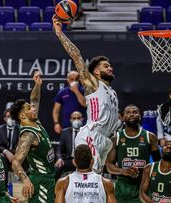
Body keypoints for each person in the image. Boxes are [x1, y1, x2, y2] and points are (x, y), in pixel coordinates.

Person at [53, 16, 119, 173]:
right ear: (96, 71)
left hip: (106, 139)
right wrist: (59, 33)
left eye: (110, 66)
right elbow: (76, 56)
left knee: (96, 179)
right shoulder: (94, 84)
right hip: (92, 134)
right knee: (91, 178)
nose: (110, 68)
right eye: (106, 66)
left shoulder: (113, 92)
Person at [10, 71, 55, 202]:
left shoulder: (36, 122)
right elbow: (15, 162)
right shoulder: (28, 134)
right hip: (40, 180)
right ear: (23, 116)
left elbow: (34, 99)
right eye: (29, 108)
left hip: (48, 178)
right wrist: (26, 180)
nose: (34, 109)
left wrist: (37, 84)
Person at [106, 104, 161, 203]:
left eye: (134, 112)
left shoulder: (150, 137)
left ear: (140, 116)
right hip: (122, 187)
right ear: (122, 118)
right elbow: (109, 166)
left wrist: (148, 174)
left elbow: (158, 165)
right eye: (128, 112)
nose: (131, 114)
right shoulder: (116, 138)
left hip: (142, 186)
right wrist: (123, 171)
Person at [53, 70, 86, 134]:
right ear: (68, 79)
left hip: (82, 125)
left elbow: (85, 104)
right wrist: (56, 123)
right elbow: (56, 110)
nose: (74, 81)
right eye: (72, 79)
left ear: (79, 80)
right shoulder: (62, 92)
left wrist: (76, 91)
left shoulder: (83, 91)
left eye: (76, 79)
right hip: (67, 125)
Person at [55, 111, 84, 180]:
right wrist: (59, 158)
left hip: (83, 161)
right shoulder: (65, 132)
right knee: (58, 167)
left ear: (82, 119)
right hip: (69, 160)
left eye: (78, 118)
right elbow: (59, 149)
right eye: (74, 118)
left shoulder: (87, 132)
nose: (76, 120)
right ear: (71, 120)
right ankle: (55, 188)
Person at [0, 108, 20, 185]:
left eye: (12, 116)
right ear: (4, 118)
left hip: (17, 154)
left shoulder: (20, 128)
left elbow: (19, 145)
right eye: (8, 116)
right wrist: (7, 152)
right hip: (5, 155)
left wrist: (12, 154)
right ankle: (4, 183)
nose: (10, 119)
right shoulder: (0, 129)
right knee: (2, 158)